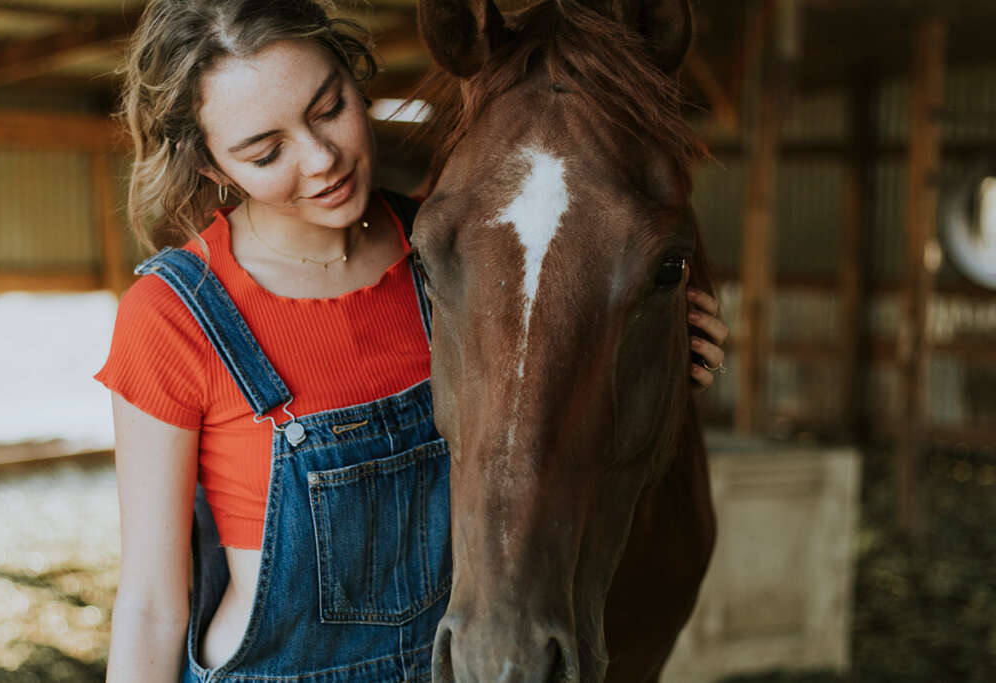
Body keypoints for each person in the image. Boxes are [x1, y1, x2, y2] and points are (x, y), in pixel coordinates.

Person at [96, 1, 731, 681]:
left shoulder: (455, 255)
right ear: (214, 164)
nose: (322, 158)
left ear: (355, 75)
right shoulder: (172, 318)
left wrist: (665, 356)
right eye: (266, 150)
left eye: (329, 107)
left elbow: (543, 406)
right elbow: (151, 606)